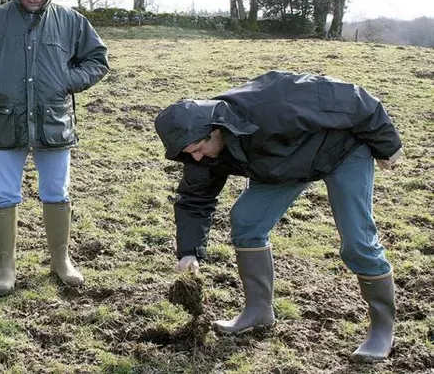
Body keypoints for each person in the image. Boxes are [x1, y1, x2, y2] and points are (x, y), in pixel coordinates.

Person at [154, 70, 402, 363]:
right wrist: (189, 252)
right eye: (188, 153)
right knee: (247, 220)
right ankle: (259, 311)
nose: (196, 157)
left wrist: (388, 145)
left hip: (341, 152)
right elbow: (194, 199)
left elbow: (356, 99)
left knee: (357, 242)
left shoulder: (274, 103)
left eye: (198, 148)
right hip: (283, 167)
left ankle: (382, 330)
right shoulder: (201, 153)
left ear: (217, 128)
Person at [0, 0, 109, 295]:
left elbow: (98, 60)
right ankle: (5, 267)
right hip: (5, 120)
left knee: (57, 192)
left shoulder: (71, 20)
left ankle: (61, 261)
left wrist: (67, 82)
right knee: (3, 194)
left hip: (53, 121)